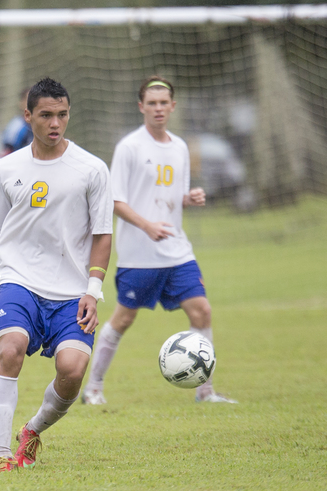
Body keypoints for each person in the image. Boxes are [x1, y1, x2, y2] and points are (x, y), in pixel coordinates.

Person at [0, 77, 113, 472]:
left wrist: (93, 290)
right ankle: (1, 455)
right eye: (46, 115)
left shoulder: (92, 169)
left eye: (62, 114)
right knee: (9, 350)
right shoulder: (8, 168)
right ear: (28, 116)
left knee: (71, 371)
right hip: (19, 281)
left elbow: (103, 237)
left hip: (72, 292)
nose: (55, 123)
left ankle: (32, 430)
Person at [81, 76, 238, 406]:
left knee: (202, 312)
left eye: (163, 103)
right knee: (124, 319)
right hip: (140, 255)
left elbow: (173, 195)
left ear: (172, 106)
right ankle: (93, 387)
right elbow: (116, 200)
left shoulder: (180, 146)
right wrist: (146, 225)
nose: (158, 109)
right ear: (141, 107)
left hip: (177, 251)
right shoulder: (129, 147)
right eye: (151, 103)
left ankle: (205, 391)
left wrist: (188, 198)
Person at [0, 87, 33, 157]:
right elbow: (7, 153)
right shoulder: (16, 126)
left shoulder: (44, 125)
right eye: (28, 100)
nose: (31, 105)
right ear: (21, 103)